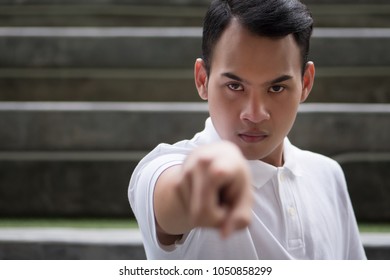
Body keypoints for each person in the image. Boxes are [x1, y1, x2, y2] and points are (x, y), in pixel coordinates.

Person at [128, 0, 366, 260]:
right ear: (202, 79)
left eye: (276, 88)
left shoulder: (328, 175)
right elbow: (175, 197)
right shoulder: (164, 166)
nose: (254, 114)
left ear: (306, 83)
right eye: (234, 86)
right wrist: (207, 178)